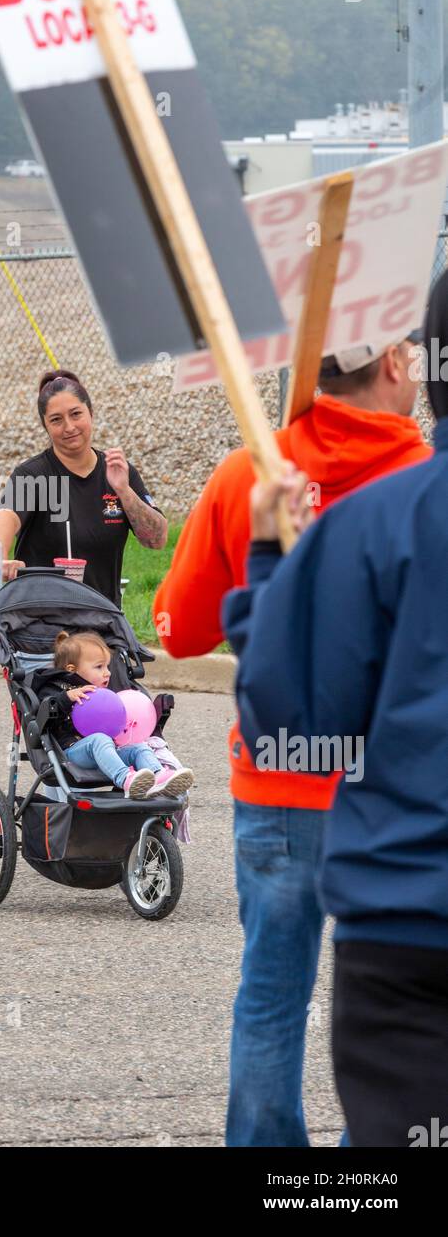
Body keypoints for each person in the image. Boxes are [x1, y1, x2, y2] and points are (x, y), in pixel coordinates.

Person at [153, 330, 430, 1147]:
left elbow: (179, 627)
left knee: (273, 992)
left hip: (280, 778)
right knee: (399, 998)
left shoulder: (251, 474)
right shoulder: (422, 484)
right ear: (390, 364)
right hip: (393, 789)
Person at [222, 280, 448, 1145]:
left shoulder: (360, 519)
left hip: (405, 920)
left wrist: (275, 568)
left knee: (273, 992)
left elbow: (287, 707)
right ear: (398, 369)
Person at [0, 369, 168, 606]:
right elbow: (6, 517)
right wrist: (0, 559)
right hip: (41, 617)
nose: (69, 427)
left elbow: (156, 540)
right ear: (45, 426)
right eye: (56, 419)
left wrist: (125, 492)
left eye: (76, 414)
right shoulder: (33, 474)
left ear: (91, 414)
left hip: (101, 616)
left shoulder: (120, 472)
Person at [33, 630, 193, 798]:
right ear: (72, 670)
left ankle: (158, 776)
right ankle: (125, 778)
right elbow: (43, 715)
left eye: (107, 666)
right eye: (99, 667)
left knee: (139, 748)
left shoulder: (101, 695)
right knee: (99, 739)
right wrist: (66, 698)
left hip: (106, 751)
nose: (107, 672)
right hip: (71, 752)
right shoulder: (56, 688)